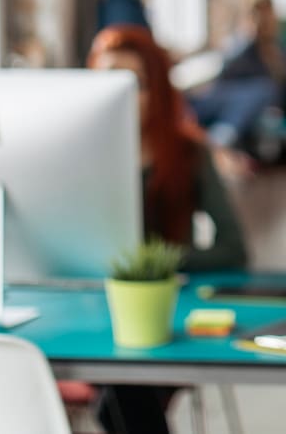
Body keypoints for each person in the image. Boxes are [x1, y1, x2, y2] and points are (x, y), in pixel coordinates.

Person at [86, 24, 248, 434]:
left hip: (170, 316)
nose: (120, 94)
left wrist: (157, 266)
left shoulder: (187, 152)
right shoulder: (79, 153)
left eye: (135, 83)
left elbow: (234, 248)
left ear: (156, 89)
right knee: (118, 382)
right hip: (93, 313)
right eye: (106, 79)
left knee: (123, 387)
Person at [188, 0, 286, 153]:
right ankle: (219, 142)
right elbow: (224, 77)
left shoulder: (278, 49)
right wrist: (247, 38)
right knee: (263, 90)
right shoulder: (237, 45)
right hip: (224, 100)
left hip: (257, 108)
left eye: (266, 14)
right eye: (256, 14)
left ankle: (222, 141)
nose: (263, 20)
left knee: (266, 91)